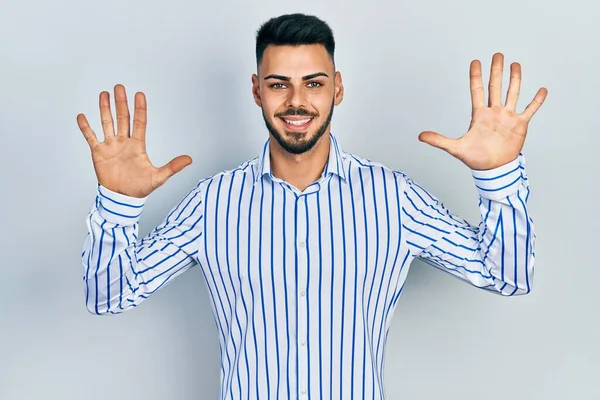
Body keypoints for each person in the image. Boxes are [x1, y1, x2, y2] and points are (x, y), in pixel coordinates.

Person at [77, 13, 547, 400]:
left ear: (337, 89)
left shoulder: (392, 198)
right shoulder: (213, 203)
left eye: (313, 83)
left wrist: (497, 175)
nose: (297, 101)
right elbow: (109, 297)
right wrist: (118, 203)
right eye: (279, 84)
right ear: (257, 91)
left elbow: (505, 276)